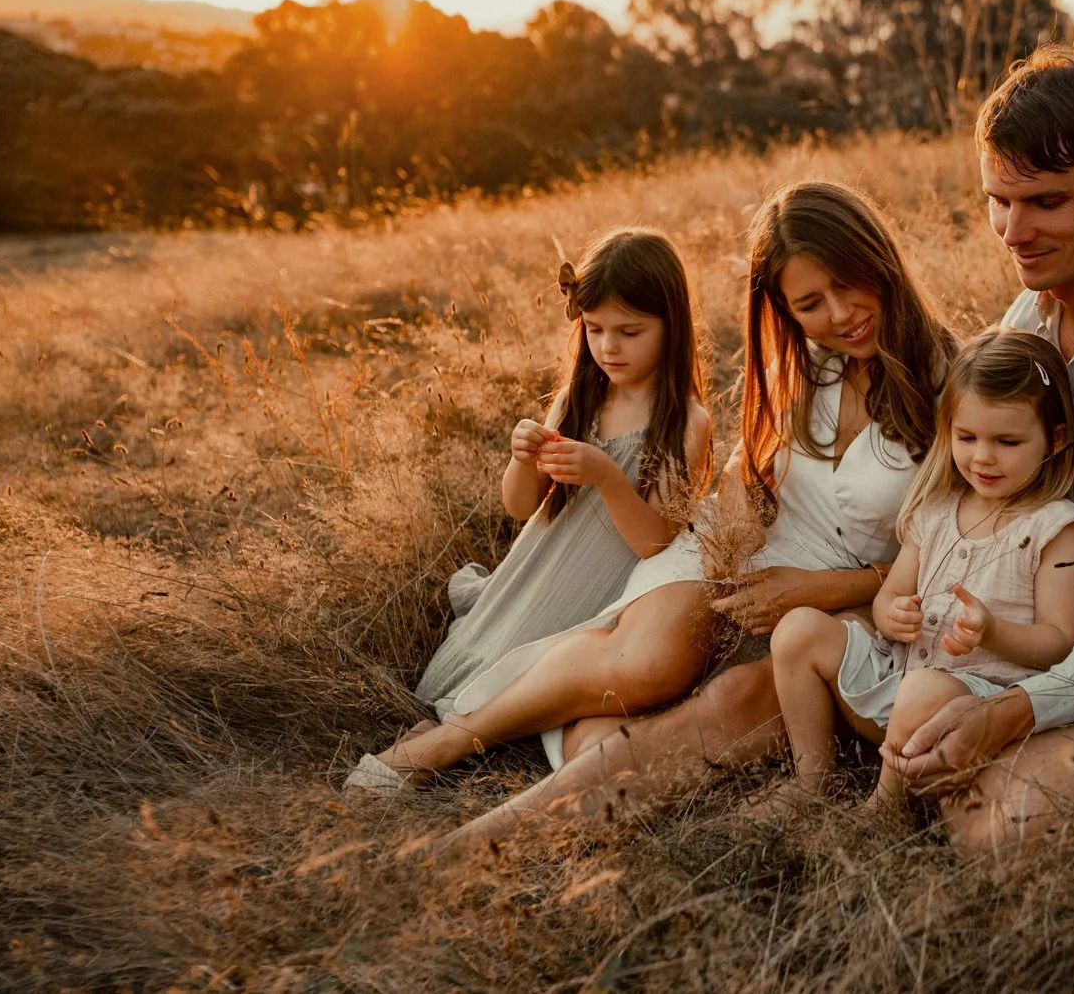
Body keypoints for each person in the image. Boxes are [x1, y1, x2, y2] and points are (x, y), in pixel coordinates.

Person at [441, 46, 1074, 853]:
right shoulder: (1026, 323)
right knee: (739, 694)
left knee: (1008, 840)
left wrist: (1016, 708)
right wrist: (889, 613)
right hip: (961, 633)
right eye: (999, 199)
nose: (1013, 230)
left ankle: (932, 780)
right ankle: (483, 844)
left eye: (1046, 202)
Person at [357, 178, 957, 794]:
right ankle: (458, 736)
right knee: (651, 662)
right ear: (783, 309)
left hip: (859, 593)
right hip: (744, 552)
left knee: (709, 702)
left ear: (880, 259)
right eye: (808, 304)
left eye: (849, 283)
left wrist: (814, 590)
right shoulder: (809, 362)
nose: (838, 315)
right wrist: (724, 553)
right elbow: (745, 476)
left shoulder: (957, 390)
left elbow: (955, 554)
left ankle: (563, 748)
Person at [344, 228, 713, 793]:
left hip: (598, 591)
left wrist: (607, 476)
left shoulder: (686, 423)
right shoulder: (578, 399)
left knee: (536, 684)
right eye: (594, 330)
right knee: (472, 671)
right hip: (538, 575)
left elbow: (655, 543)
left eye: (629, 331)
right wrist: (522, 460)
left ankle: (447, 742)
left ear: (672, 326)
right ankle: (436, 732)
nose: (609, 347)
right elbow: (519, 508)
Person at [768, 329, 1074, 812]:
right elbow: (890, 596)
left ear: (1056, 439)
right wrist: (890, 614)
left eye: (1007, 441)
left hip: (971, 708)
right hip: (898, 683)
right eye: (966, 437)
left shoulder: (1054, 529)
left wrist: (992, 632)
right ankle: (814, 778)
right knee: (798, 628)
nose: (982, 456)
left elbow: (1057, 642)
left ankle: (885, 808)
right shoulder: (938, 509)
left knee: (924, 690)